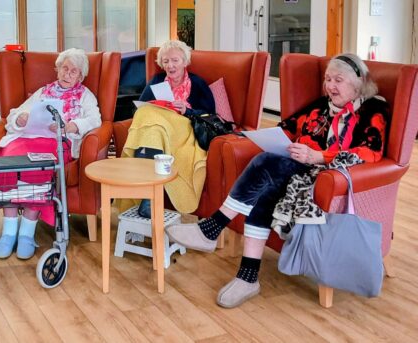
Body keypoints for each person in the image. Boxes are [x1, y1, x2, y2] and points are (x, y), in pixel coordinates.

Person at [166, 53, 389, 308]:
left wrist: (318, 156)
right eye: (328, 79)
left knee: (265, 163)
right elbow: (287, 127)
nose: (330, 86)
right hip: (298, 168)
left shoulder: (373, 109)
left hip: (327, 176)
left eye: (338, 80)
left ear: (358, 84)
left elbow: (370, 152)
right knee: (267, 179)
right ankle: (247, 277)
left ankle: (212, 229)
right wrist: (260, 137)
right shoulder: (321, 106)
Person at [0, 48, 101, 260]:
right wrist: (20, 118)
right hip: (27, 138)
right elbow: (15, 113)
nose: (67, 74)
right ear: (57, 69)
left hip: (56, 142)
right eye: (64, 68)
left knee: (38, 167)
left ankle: (26, 233)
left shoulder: (85, 96)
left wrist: (72, 126)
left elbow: (95, 120)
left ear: (80, 76)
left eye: (73, 71)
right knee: (7, 160)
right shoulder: (44, 91)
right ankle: (9, 231)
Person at [121, 39, 216, 215]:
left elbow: (210, 115)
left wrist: (187, 110)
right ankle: (148, 200)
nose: (170, 65)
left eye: (175, 60)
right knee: (150, 121)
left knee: (150, 121)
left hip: (184, 131)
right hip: (159, 130)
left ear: (185, 61)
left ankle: (147, 197)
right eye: (165, 61)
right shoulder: (156, 81)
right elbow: (139, 109)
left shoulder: (197, 83)